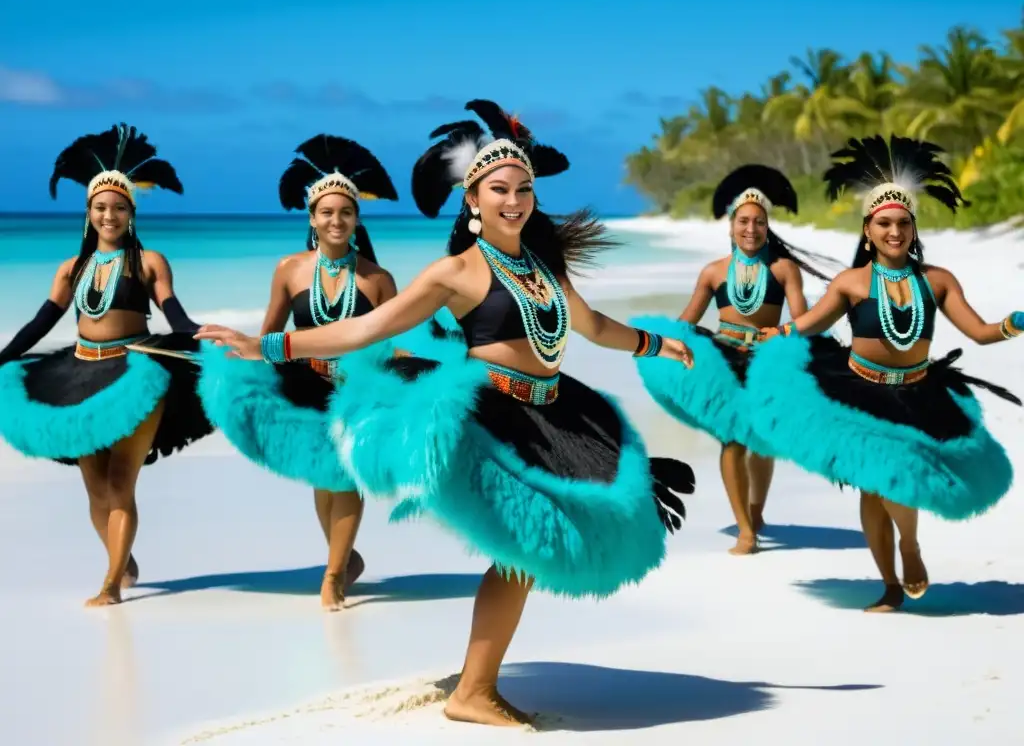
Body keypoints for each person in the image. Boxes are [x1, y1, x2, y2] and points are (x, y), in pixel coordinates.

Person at [195, 99, 697, 726]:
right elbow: (366, 328)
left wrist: (655, 343)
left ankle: (476, 683)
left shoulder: (543, 267)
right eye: (499, 190)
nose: (513, 200)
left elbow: (593, 326)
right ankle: (473, 690)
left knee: (527, 558)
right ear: (472, 201)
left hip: (557, 415)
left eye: (523, 189)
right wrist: (266, 345)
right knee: (519, 554)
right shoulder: (455, 272)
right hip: (492, 421)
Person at [743, 134, 1022, 612]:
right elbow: (812, 324)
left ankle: (909, 548)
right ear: (867, 231)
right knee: (874, 489)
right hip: (861, 392)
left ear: (913, 229)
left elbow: (978, 331)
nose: (895, 231)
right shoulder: (850, 283)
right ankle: (890, 585)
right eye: (884, 223)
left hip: (918, 393)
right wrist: (779, 335)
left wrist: (1013, 324)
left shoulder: (936, 280)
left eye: (903, 223)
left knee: (895, 479)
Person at [0, 123, 212, 606]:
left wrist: (204, 340)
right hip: (78, 375)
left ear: (131, 213)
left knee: (121, 482)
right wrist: (4, 357)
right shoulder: (71, 269)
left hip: (134, 374)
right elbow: (41, 321)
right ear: (88, 212)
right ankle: (123, 558)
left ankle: (111, 583)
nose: (109, 215)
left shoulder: (150, 261)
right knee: (95, 490)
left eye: (119, 207)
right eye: (100, 207)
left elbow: (173, 313)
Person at [194, 134, 401, 610]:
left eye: (345, 212)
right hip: (303, 385)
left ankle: (332, 576)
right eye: (326, 212)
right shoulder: (289, 269)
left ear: (356, 219)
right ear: (311, 218)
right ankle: (344, 558)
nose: (335, 220)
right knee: (321, 478)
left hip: (356, 391)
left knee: (347, 477)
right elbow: (271, 332)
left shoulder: (378, 278)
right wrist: (238, 353)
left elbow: (387, 346)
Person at [632, 165, 843, 554]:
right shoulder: (713, 272)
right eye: (743, 221)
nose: (751, 228)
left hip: (767, 360)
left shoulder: (783, 270)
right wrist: (662, 348)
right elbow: (686, 322)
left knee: (761, 441)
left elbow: (802, 320)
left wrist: (791, 341)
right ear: (731, 226)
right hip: (725, 360)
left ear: (768, 227)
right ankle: (746, 530)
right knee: (732, 441)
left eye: (758, 222)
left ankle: (756, 511)